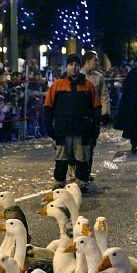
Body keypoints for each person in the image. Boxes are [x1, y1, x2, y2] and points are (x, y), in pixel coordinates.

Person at [43, 54, 101, 193]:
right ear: (67, 66)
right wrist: (49, 126)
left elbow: (96, 108)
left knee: (82, 158)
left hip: (82, 130)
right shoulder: (57, 86)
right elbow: (48, 107)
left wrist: (95, 126)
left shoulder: (88, 86)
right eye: (71, 64)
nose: (74, 67)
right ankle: (59, 182)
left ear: (80, 67)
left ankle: (82, 182)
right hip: (63, 129)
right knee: (61, 158)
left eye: (76, 65)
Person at [82, 50, 110, 177]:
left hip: (94, 114)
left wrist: (105, 113)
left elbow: (104, 95)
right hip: (80, 114)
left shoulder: (99, 77)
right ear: (88, 61)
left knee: (91, 144)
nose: (97, 62)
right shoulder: (78, 75)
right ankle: (79, 172)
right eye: (95, 60)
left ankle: (86, 171)